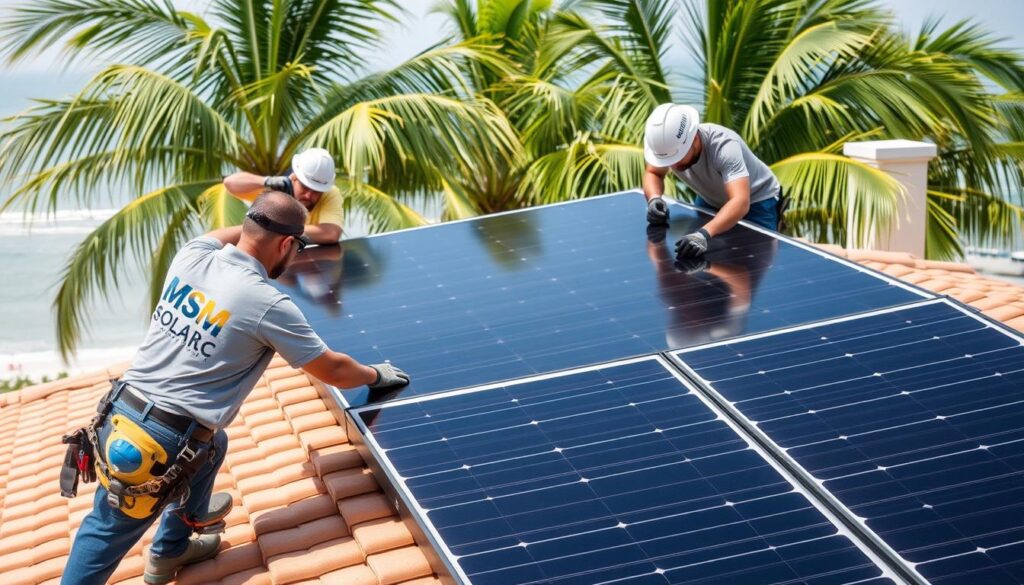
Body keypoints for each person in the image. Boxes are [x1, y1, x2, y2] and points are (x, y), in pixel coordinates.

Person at [61, 192, 410, 585]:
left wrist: (259, 219)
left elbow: (221, 234)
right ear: (286, 244)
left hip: (119, 412)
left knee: (212, 445)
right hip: (156, 442)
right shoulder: (267, 303)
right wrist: (374, 376)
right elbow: (332, 369)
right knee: (104, 532)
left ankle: (170, 551)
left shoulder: (193, 254)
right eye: (296, 247)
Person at [642, 103, 784, 259]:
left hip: (757, 201)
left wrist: (703, 234)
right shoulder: (666, 146)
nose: (674, 165)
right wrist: (654, 199)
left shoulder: (724, 147)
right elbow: (653, 172)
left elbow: (741, 202)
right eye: (669, 160)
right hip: (710, 198)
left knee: (751, 258)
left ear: (694, 138)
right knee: (702, 258)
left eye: (678, 157)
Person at [223, 148, 345, 244]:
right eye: (305, 187)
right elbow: (230, 183)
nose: (309, 195)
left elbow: (330, 234)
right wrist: (267, 181)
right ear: (294, 177)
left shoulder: (330, 193)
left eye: (316, 191)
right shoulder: (276, 190)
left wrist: (275, 229)